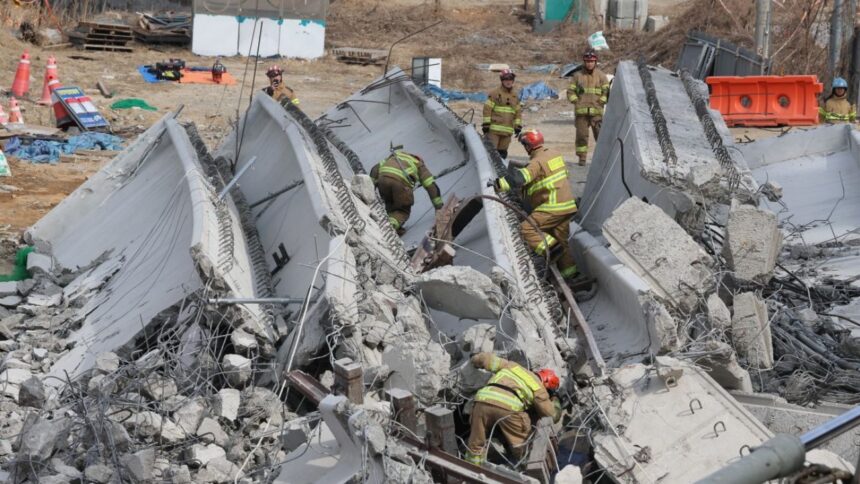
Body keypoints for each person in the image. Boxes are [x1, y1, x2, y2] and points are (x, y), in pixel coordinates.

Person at [493, 129, 579, 279]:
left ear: (528, 145)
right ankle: (571, 276)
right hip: (568, 206)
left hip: (552, 207)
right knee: (561, 239)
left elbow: (520, 179)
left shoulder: (536, 162)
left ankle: (551, 249)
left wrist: (498, 184)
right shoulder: (554, 154)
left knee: (526, 229)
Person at [465, 352, 561, 466]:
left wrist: (475, 359)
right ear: (546, 384)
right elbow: (551, 415)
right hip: (509, 409)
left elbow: (487, 359)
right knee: (523, 447)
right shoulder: (539, 388)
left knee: (475, 444)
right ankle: (525, 470)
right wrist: (555, 400)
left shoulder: (513, 366)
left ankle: (472, 470)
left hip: (482, 401)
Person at [370, 149, 443, 234]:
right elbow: (431, 186)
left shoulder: (395, 156)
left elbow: (375, 169)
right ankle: (390, 227)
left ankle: (394, 226)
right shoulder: (418, 164)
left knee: (390, 205)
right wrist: (439, 207)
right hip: (400, 184)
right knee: (403, 210)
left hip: (382, 181)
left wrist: (370, 188)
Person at [567, 49, 610, 166]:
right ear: (584, 62)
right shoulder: (577, 76)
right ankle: (582, 158)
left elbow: (606, 91)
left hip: (596, 113)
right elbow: (570, 92)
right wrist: (577, 101)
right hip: (581, 114)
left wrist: (601, 101)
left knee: (600, 137)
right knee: (581, 137)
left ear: (595, 62)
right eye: (587, 61)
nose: (589, 63)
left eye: (592, 61)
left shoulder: (601, 76)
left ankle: (603, 159)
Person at [482, 69, 523, 159]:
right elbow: (487, 109)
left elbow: (517, 113)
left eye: (510, 79)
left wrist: (517, 126)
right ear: (502, 80)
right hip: (494, 131)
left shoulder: (515, 96)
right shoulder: (495, 94)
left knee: (502, 154)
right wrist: (486, 124)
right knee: (491, 154)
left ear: (513, 80)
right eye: (506, 79)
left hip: (507, 132)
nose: (508, 81)